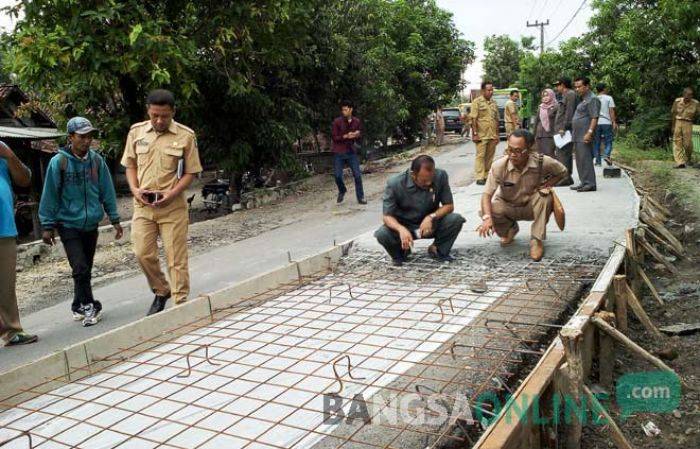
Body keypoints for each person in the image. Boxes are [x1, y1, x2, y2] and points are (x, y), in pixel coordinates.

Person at [121, 89, 203, 315]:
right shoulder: (136, 133)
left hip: (172, 206)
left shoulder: (186, 136)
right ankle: (161, 289)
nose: (159, 120)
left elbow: (191, 172)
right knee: (142, 253)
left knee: (175, 258)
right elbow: (130, 165)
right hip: (143, 206)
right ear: (148, 111)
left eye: (164, 116)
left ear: (173, 112)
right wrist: (134, 189)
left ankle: (180, 305)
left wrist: (173, 193)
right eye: (154, 115)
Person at [39, 117, 123, 326]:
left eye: (89, 137)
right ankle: (90, 306)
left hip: (90, 224)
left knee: (84, 268)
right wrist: (47, 225)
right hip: (68, 224)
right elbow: (49, 193)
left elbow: (107, 190)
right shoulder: (59, 162)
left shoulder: (96, 161)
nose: (87, 141)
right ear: (71, 138)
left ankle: (77, 304)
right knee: (80, 267)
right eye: (82, 137)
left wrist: (114, 218)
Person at [477, 129, 568, 262]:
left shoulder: (542, 162)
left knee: (545, 196)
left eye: (518, 151)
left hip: (531, 206)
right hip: (508, 206)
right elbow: (486, 195)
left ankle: (536, 239)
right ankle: (510, 229)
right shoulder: (499, 166)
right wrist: (487, 218)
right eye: (509, 149)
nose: (513, 155)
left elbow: (563, 171)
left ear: (530, 149)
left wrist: (547, 184)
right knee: (490, 208)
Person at [375, 155, 465, 266]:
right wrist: (400, 229)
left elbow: (449, 205)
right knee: (382, 234)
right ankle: (401, 253)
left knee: (455, 219)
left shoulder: (440, 176)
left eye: (431, 179)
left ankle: (437, 249)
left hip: (429, 225)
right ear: (413, 175)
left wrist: (430, 217)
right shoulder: (395, 183)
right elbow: (387, 216)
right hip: (405, 226)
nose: (428, 183)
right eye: (424, 180)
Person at [0, 141, 38, 346]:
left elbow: (24, 180)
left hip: (4, 226)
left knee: (6, 284)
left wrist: (9, 155)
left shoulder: (3, 150)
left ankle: (12, 331)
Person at [331, 100, 366, 204]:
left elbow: (360, 134)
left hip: (351, 151)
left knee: (357, 175)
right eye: (342, 110)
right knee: (337, 176)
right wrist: (346, 136)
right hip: (339, 151)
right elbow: (334, 137)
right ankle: (342, 190)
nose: (343, 112)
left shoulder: (356, 121)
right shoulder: (337, 122)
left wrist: (356, 134)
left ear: (351, 110)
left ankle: (361, 197)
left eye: (346, 110)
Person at [570, 77, 600, 192]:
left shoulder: (592, 99)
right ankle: (584, 182)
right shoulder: (583, 99)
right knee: (579, 159)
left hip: (584, 134)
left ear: (587, 86)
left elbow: (594, 117)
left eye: (579, 86)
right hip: (578, 134)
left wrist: (590, 132)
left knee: (586, 158)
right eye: (576, 87)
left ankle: (590, 183)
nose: (577, 89)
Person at [470, 81, 499, 185]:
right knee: (480, 156)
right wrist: (475, 134)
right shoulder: (477, 102)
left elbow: (496, 120)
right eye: (488, 90)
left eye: (492, 90)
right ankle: (479, 176)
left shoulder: (494, 103)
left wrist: (497, 135)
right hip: (481, 135)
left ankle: (487, 175)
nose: (491, 92)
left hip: (492, 134)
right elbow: (473, 119)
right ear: (483, 91)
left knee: (490, 156)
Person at [554, 78, 576, 186]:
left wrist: (564, 127)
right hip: (561, 130)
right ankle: (567, 177)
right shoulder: (565, 95)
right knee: (561, 153)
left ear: (562, 85)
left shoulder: (570, 94)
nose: (556, 88)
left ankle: (565, 178)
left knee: (564, 154)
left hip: (565, 130)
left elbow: (569, 112)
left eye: (557, 85)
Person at [671, 87, 699, 168]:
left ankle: (688, 159)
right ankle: (680, 162)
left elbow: (698, 113)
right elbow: (673, 113)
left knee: (688, 144)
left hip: (688, 122)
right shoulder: (677, 101)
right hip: (678, 121)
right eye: (687, 96)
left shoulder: (696, 103)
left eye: (690, 96)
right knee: (677, 142)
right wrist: (673, 125)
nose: (688, 98)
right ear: (683, 94)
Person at [593, 83, 618, 166]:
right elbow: (611, 111)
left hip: (596, 123)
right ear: (603, 89)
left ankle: (598, 161)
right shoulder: (609, 98)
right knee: (608, 141)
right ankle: (607, 155)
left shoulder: (594, 98)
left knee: (597, 142)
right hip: (606, 123)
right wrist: (614, 122)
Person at [533, 89, 559, 158]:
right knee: (540, 156)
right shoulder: (540, 107)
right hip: (539, 135)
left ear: (552, 96)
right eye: (543, 96)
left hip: (550, 135)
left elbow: (559, 120)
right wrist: (533, 135)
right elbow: (536, 121)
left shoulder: (556, 106)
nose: (545, 98)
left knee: (550, 155)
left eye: (547, 95)